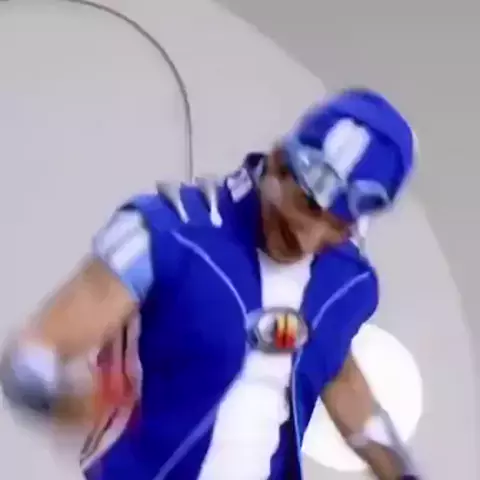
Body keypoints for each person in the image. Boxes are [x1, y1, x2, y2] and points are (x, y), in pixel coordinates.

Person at [0, 87, 421, 480]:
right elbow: (30, 358)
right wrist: (61, 402)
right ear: (279, 162)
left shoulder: (346, 281)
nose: (308, 239)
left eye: (337, 227)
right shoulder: (167, 234)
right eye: (308, 205)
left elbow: (336, 370)